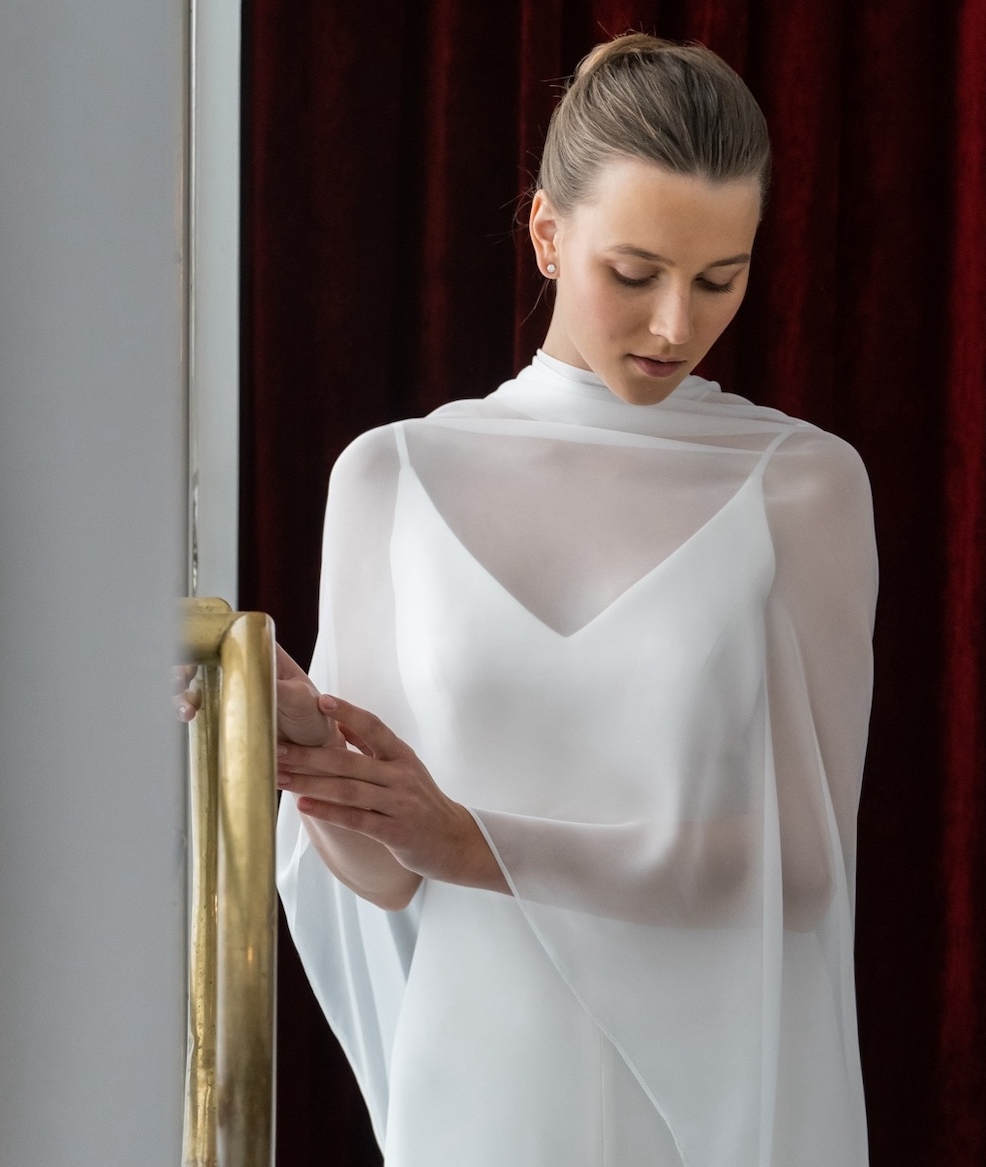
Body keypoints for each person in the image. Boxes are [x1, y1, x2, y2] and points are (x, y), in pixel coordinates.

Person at [199, 33, 877, 1167]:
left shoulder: (803, 485)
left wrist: (474, 841)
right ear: (548, 235)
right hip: (480, 1088)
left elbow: (804, 869)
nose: (677, 324)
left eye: (720, 278)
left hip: (707, 1110)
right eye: (636, 273)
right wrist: (314, 756)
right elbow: (382, 878)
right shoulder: (393, 476)